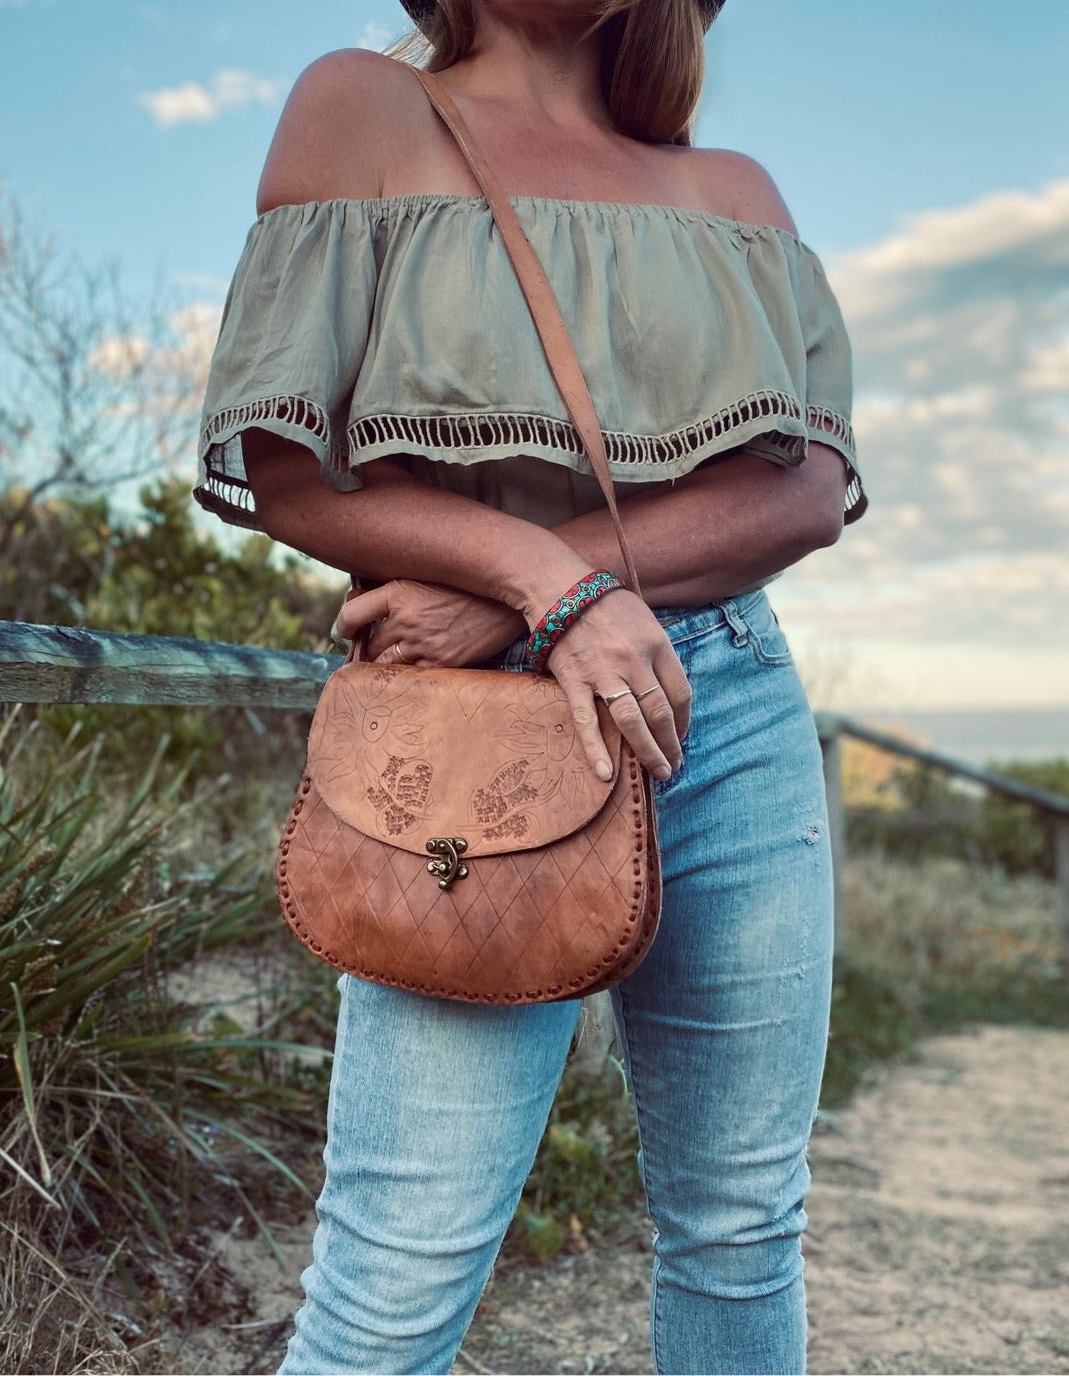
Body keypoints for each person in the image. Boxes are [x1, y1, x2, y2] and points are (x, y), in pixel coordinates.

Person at [194, 1, 867, 1371]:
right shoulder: (366, 111)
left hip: (719, 698)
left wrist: (550, 574)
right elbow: (283, 467)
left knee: (741, 1228)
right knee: (399, 1261)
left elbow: (802, 491)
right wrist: (539, 588)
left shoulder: (732, 192)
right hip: (469, 720)